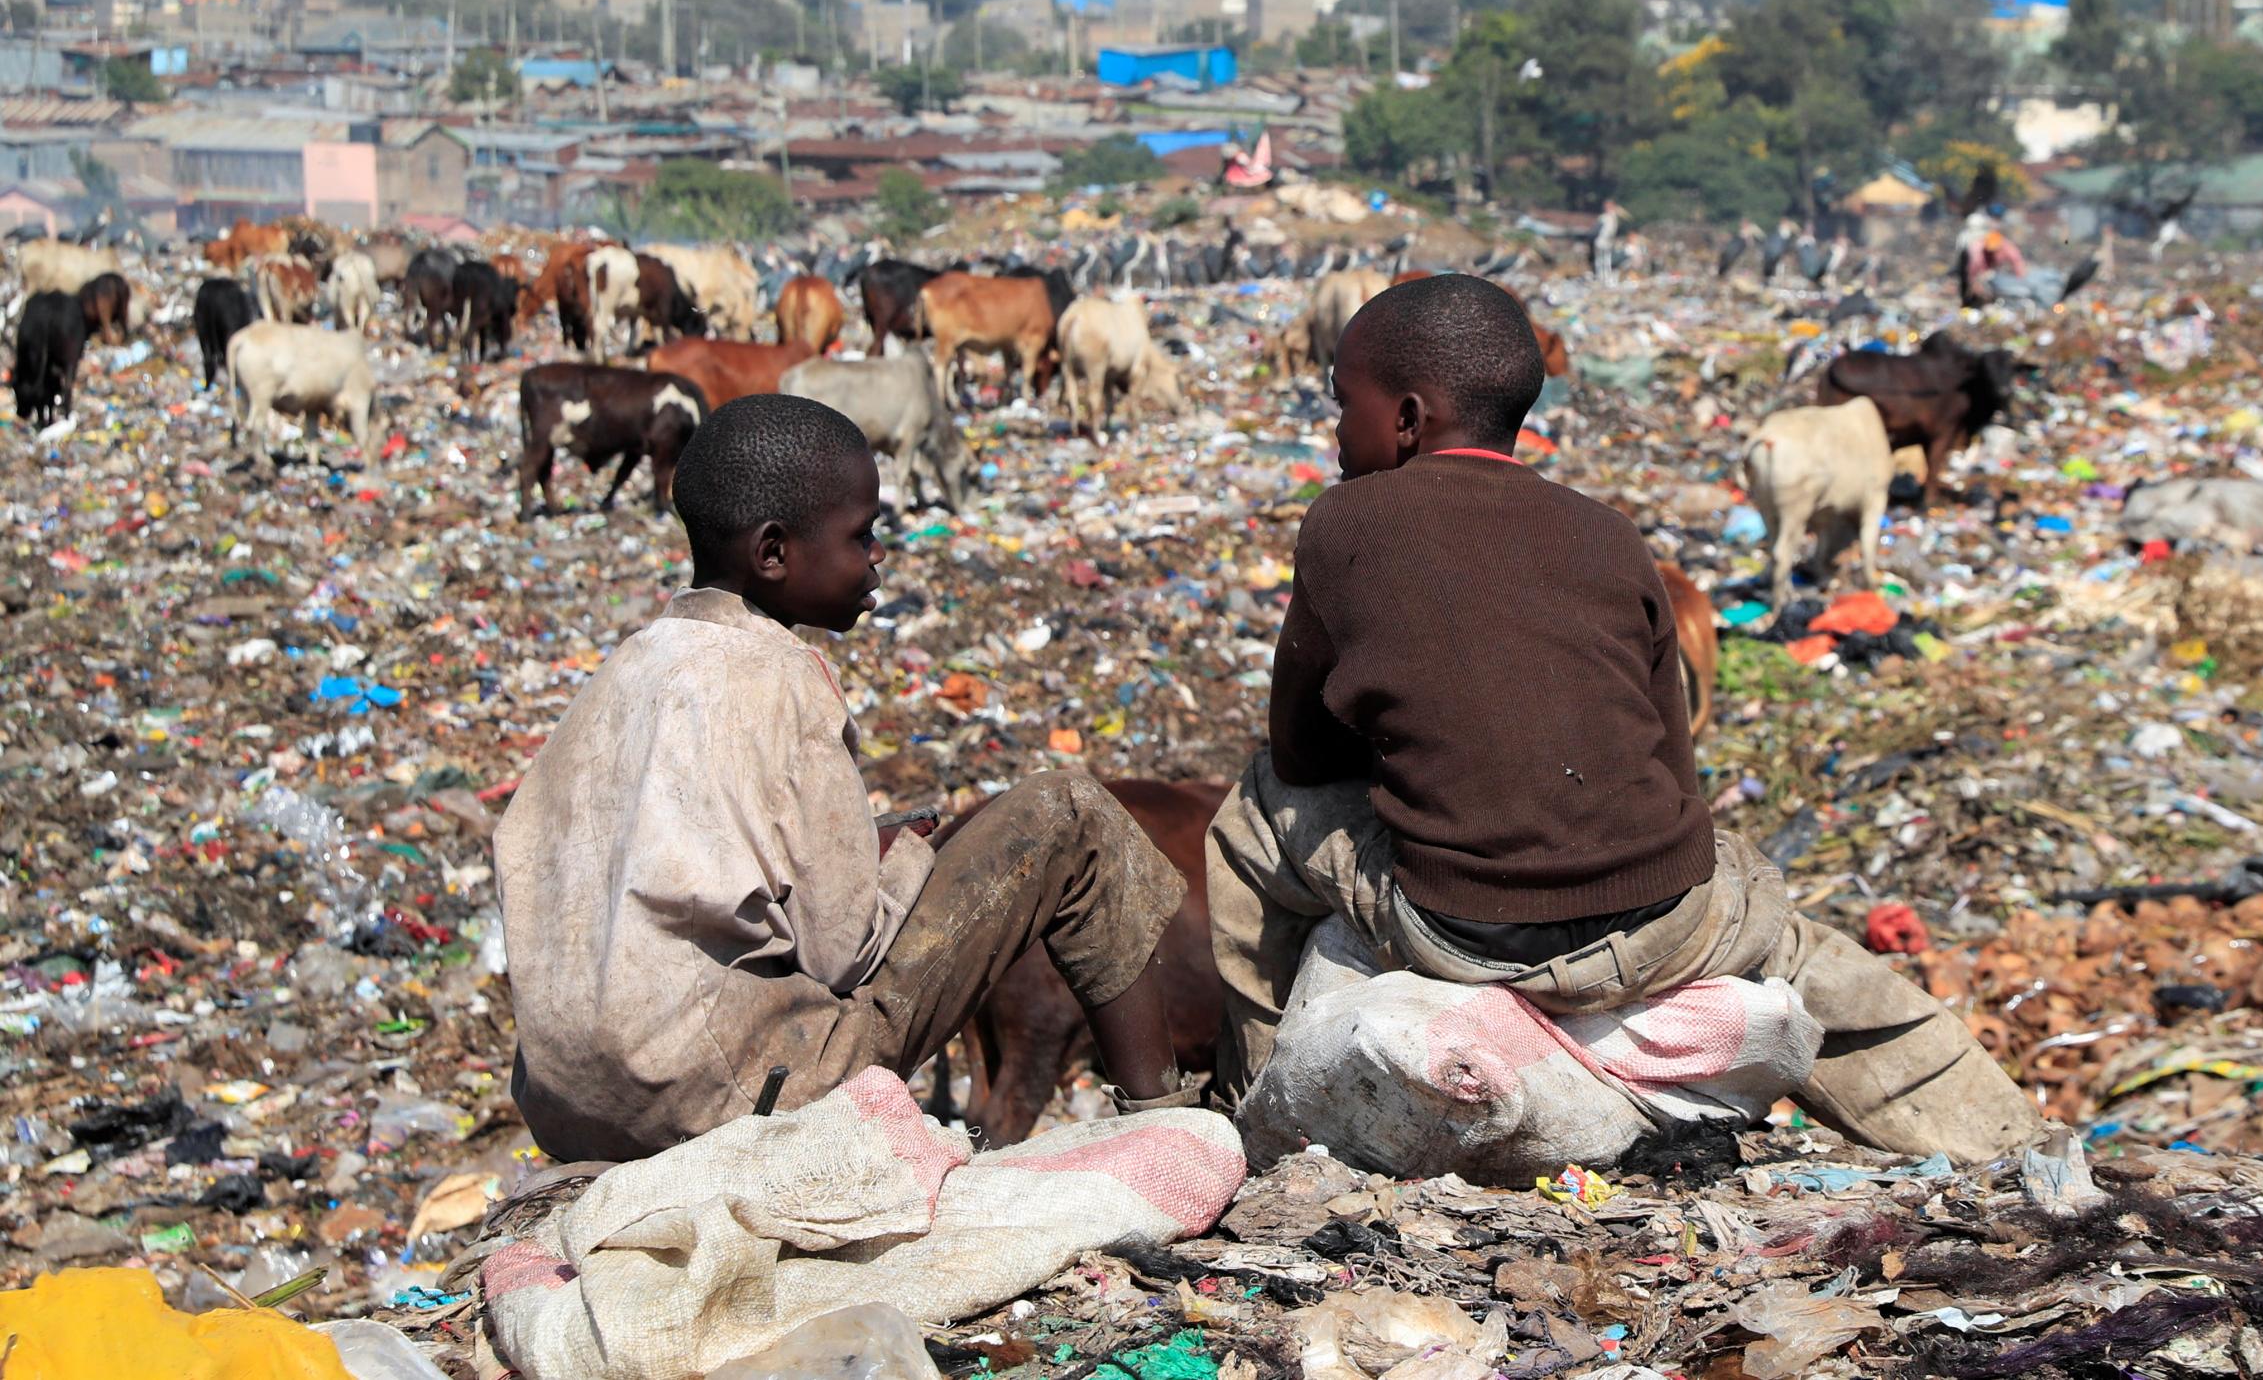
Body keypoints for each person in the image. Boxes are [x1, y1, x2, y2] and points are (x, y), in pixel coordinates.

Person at [1207, 276, 2041, 1163]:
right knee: (1805, 958)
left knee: (1250, 812)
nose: (1337, 432)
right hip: (1667, 927)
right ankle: (2010, 1142)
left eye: (1345, 406)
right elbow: (1674, 766)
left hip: (1461, 931)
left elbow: (1299, 752)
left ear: (1407, 418)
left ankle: (1260, 1118)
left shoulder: (1344, 520)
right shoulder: (1607, 534)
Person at [495, 394, 1193, 1162]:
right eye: (861, 535)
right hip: (721, 1093)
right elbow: (842, 955)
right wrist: (899, 862)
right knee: (1071, 814)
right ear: (773, 553)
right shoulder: (787, 676)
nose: (877, 557)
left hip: (568, 1106)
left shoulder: (621, 672)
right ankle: (1164, 1130)